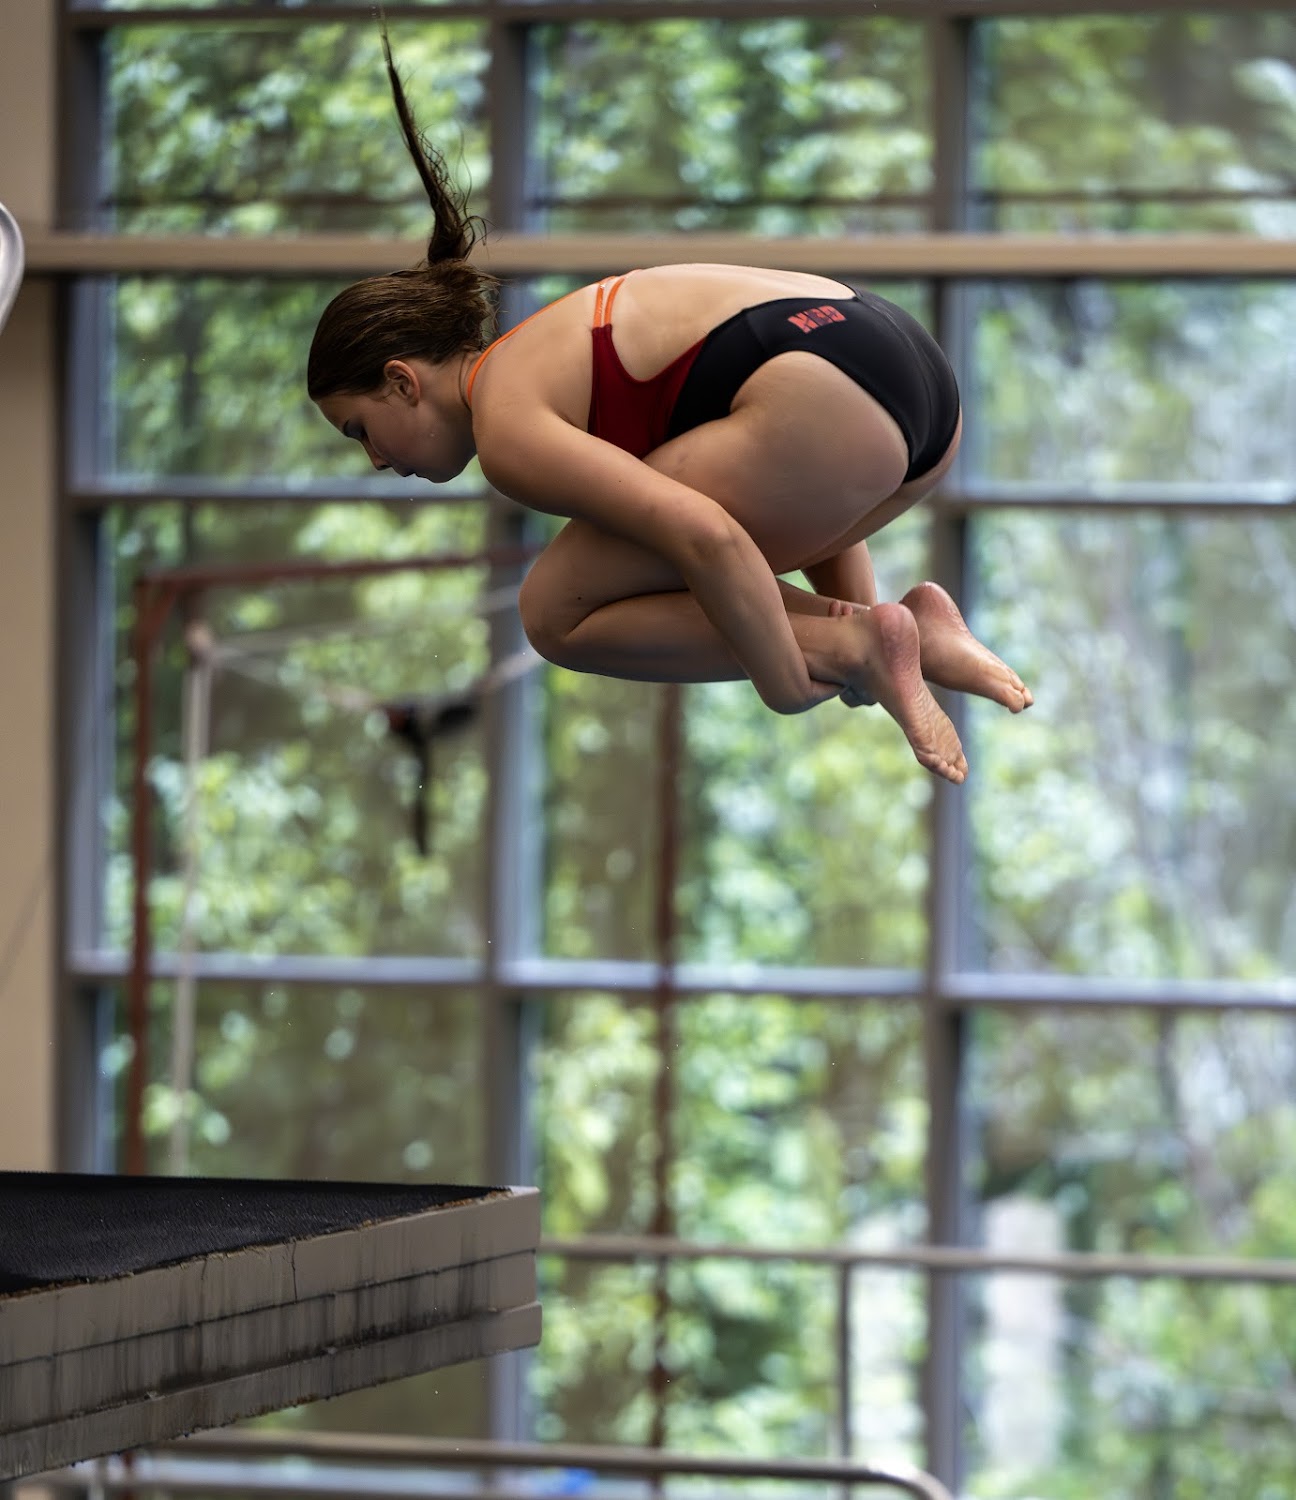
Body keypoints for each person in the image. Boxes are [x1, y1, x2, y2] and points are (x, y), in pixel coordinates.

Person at [308, 37, 1032, 785]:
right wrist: (870, 624)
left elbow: (706, 533)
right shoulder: (549, 356)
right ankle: (918, 632)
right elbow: (786, 487)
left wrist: (784, 683)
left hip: (826, 397)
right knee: (795, 594)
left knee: (554, 610)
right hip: (914, 389)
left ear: (403, 382)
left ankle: (867, 641)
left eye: (360, 429)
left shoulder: (506, 423)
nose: (375, 460)